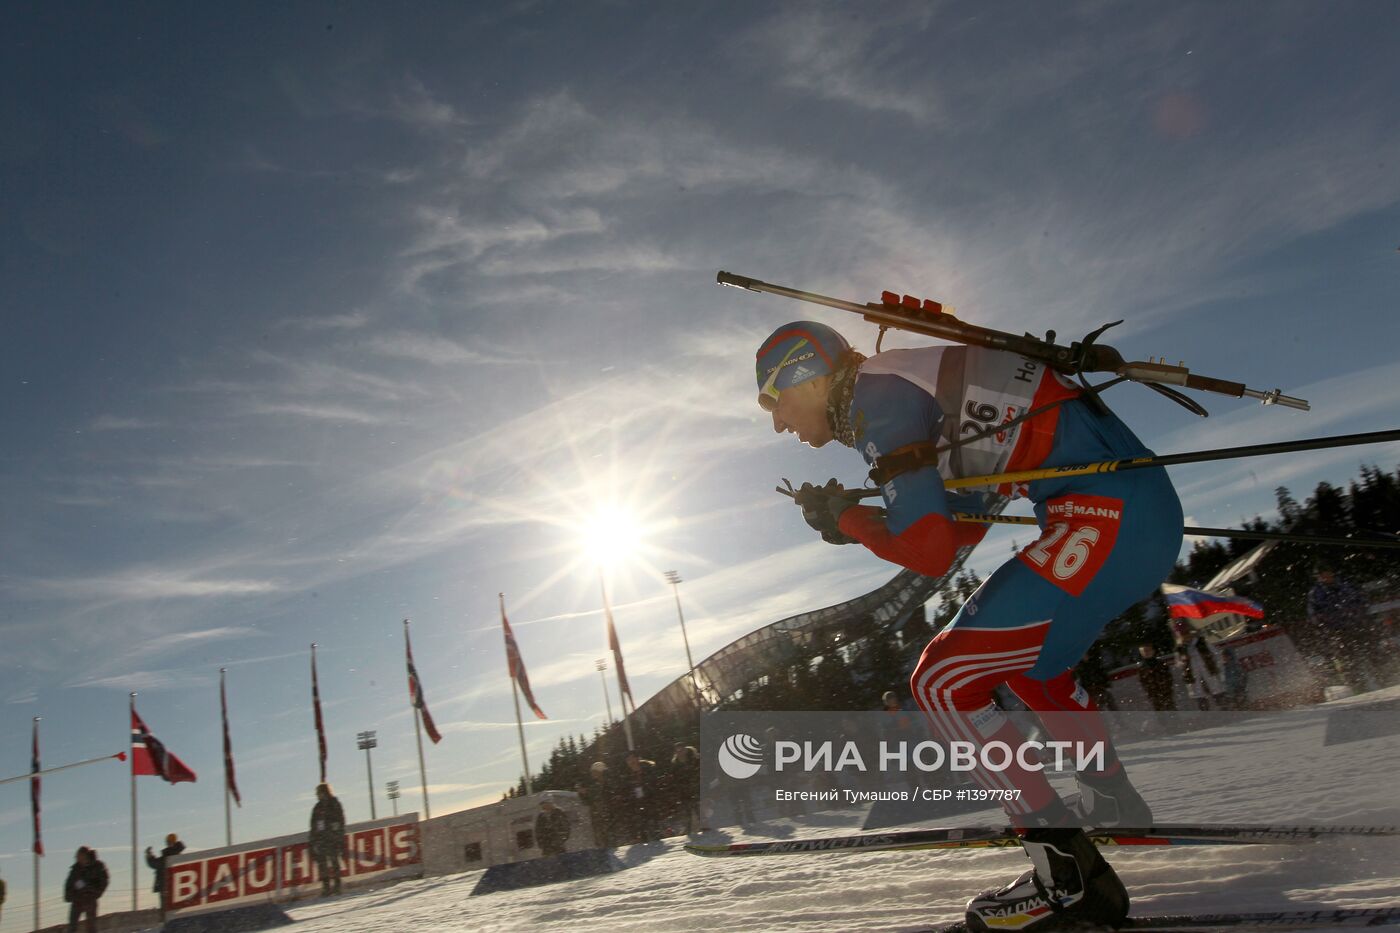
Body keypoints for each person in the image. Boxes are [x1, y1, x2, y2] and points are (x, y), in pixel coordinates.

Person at [754, 321, 1183, 930]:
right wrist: (858, 514)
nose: (777, 421)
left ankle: (1068, 879)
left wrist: (851, 518)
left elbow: (928, 552)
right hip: (1128, 517)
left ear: (807, 372)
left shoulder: (877, 396)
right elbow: (955, 533)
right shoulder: (904, 385)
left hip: (1103, 520)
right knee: (1032, 663)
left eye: (774, 397)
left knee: (941, 682)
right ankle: (1111, 797)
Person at [1307, 565, 1382, 693]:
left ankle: (1384, 677)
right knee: (1348, 660)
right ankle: (1358, 686)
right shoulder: (1316, 593)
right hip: (1338, 630)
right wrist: (1325, 625)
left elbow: (1363, 600)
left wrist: (1362, 614)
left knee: (1373, 652)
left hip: (1358, 625)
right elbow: (1313, 614)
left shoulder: (1346, 586)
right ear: (1319, 578)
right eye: (1323, 576)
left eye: (1328, 574)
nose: (1326, 578)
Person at [308, 783, 346, 896]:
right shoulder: (317, 807)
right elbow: (313, 824)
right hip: (321, 839)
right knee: (322, 863)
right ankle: (326, 887)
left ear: (324, 792)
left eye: (318, 793)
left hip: (332, 838)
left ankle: (337, 886)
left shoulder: (334, 803)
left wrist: (337, 835)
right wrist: (313, 838)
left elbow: (340, 820)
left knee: (334, 861)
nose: (317, 795)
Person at [63, 846, 108, 933]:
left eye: (79, 856)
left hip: (90, 900)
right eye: (77, 857)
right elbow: (68, 884)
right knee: (72, 927)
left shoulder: (97, 866)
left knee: (91, 927)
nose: (77, 859)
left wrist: (94, 892)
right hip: (77, 901)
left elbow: (103, 881)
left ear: (85, 856)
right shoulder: (75, 869)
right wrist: (70, 896)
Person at [576, 761, 617, 848]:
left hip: (607, 816)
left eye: (594, 771)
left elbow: (602, 795)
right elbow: (587, 802)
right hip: (598, 818)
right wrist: (582, 793)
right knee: (600, 840)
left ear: (600, 771)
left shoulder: (606, 782)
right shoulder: (594, 784)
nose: (592, 773)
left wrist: (586, 792)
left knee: (609, 840)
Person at [145, 832, 186, 915]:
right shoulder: (177, 855)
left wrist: (149, 855)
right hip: (176, 886)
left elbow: (155, 864)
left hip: (165, 885)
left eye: (168, 842)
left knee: (166, 910)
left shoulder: (168, 855)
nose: (167, 843)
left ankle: (168, 922)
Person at [1135, 644, 1177, 712]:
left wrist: (1167, 688)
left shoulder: (1161, 664)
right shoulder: (1142, 669)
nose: (1146, 653)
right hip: (1155, 695)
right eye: (1144, 651)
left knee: (1171, 710)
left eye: (1148, 650)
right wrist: (1151, 693)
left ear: (1153, 651)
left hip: (1165, 692)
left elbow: (1169, 677)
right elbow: (1144, 683)